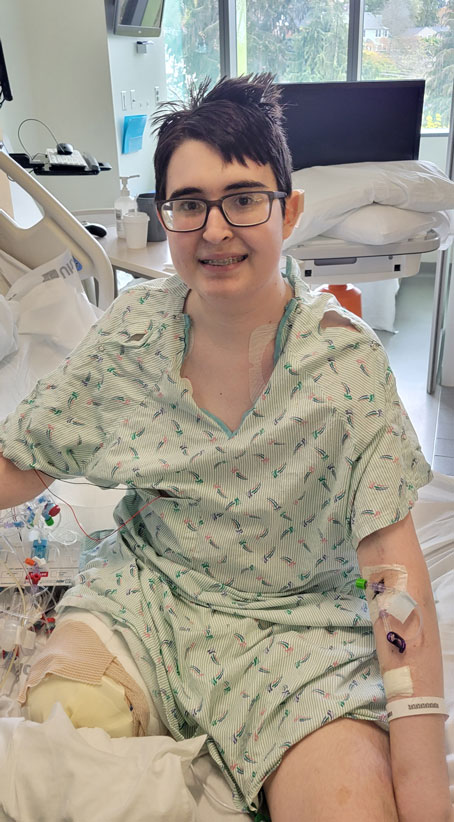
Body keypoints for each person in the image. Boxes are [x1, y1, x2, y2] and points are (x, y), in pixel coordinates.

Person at [0, 74, 451, 822]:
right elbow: (25, 457)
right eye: (189, 204)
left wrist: (426, 781)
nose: (214, 229)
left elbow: (393, 575)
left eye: (243, 199)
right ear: (166, 218)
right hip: (147, 602)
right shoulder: (131, 336)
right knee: (56, 757)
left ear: (290, 211)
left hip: (297, 630)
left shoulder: (343, 367)